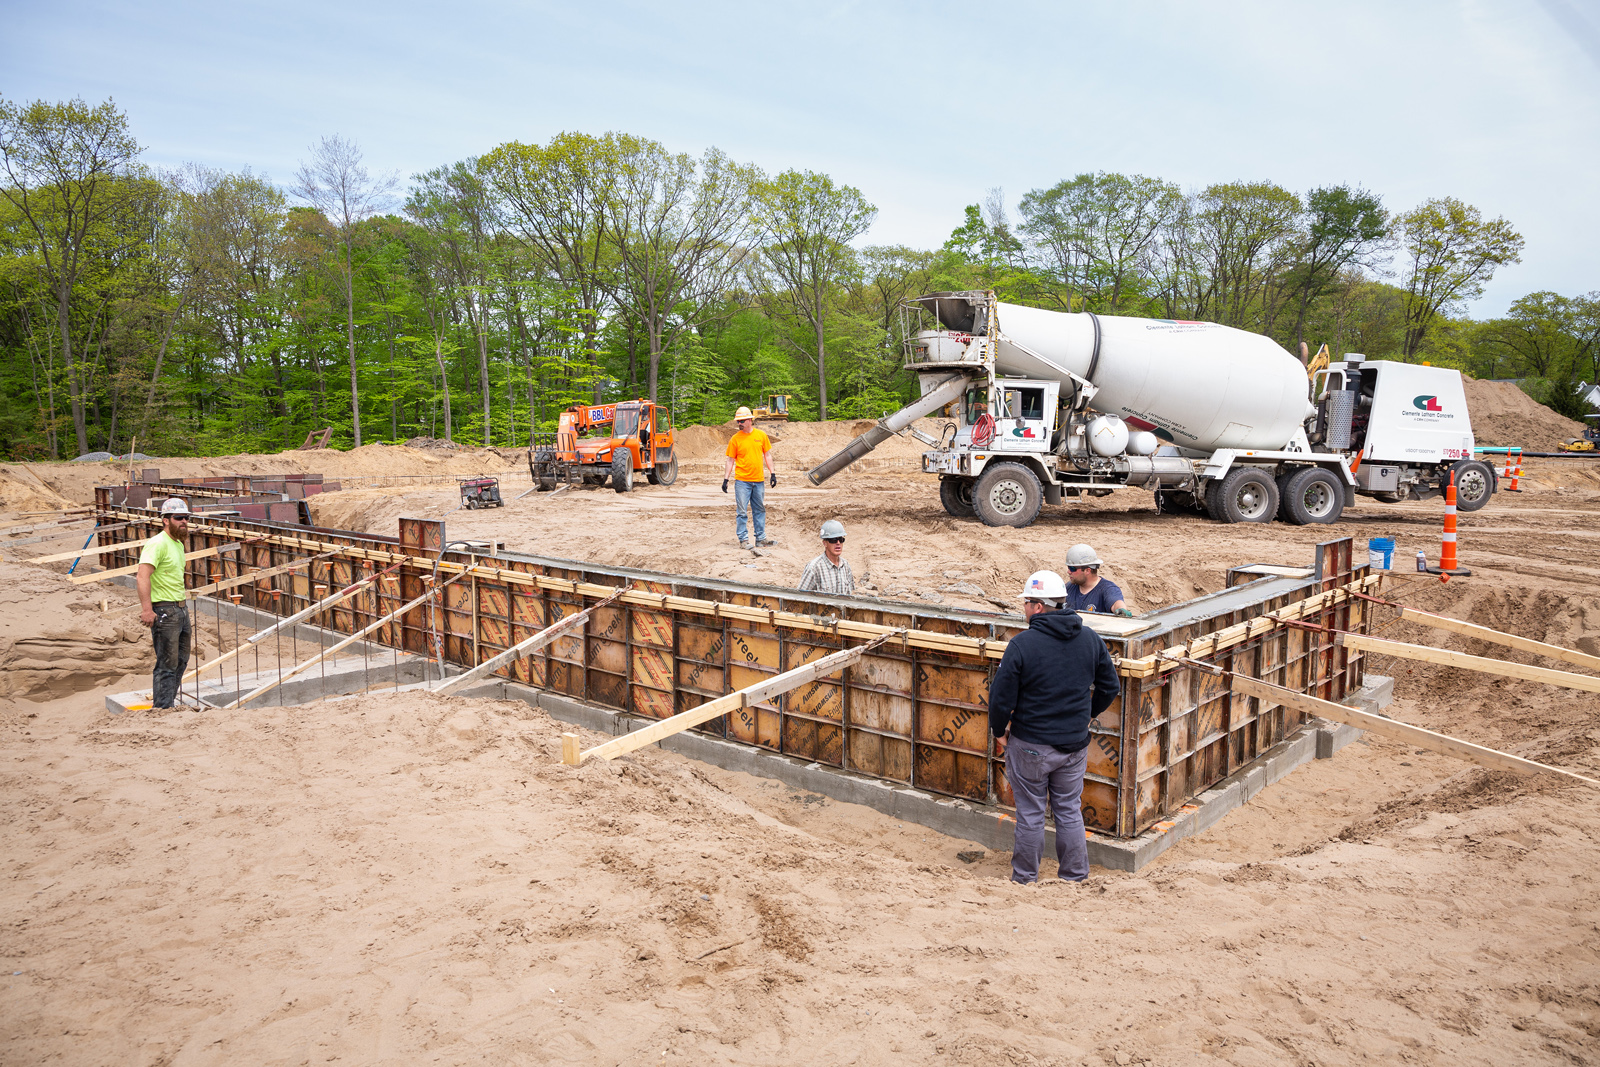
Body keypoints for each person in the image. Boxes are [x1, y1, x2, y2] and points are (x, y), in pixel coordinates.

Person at [989, 570, 1121, 884]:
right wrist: (1087, 714)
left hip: (1031, 744)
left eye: (1025, 603)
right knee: (1068, 811)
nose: (1024, 609)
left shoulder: (1022, 645)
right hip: (1073, 746)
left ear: (1037, 606)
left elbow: (999, 699)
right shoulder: (1089, 638)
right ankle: (1074, 877)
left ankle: (1024, 879)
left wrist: (998, 731)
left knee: (1032, 814)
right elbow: (1110, 685)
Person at [138, 497, 192, 709]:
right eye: (178, 518)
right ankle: (162, 709)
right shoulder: (157, 543)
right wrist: (147, 609)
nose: (184, 521)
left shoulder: (177, 544)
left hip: (180, 608)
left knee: (181, 660)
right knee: (167, 664)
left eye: (186, 518)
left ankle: (167, 702)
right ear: (165, 520)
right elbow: (142, 576)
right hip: (164, 610)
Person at [722, 406, 776, 549]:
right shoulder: (735, 439)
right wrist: (726, 479)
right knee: (742, 511)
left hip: (758, 481)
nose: (739, 423)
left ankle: (761, 539)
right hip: (742, 482)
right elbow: (730, 460)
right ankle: (743, 540)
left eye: (742, 420)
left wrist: (773, 473)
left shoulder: (761, 436)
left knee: (759, 510)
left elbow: (768, 455)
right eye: (738, 421)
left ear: (750, 420)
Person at [1063, 543, 1131, 616]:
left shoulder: (1107, 589)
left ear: (1087, 570)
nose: (1068, 571)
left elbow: (1116, 603)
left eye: (1072, 568)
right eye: (1068, 567)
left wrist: (1121, 610)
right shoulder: (1069, 587)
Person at [798, 520, 853, 595]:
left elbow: (849, 596)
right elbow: (800, 597)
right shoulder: (814, 568)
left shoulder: (845, 566)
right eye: (833, 540)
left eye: (841, 539)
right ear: (825, 543)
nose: (838, 543)